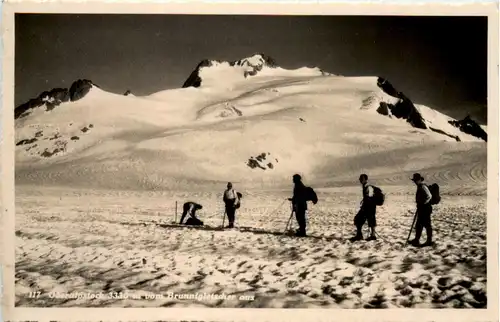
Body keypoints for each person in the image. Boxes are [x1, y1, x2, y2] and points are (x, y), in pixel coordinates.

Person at [408, 173, 434, 247]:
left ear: (419, 180)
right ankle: (416, 239)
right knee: (419, 224)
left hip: (425, 209)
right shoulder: (419, 186)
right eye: (414, 181)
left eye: (416, 180)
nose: (415, 182)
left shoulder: (423, 186)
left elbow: (429, 196)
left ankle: (429, 240)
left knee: (427, 224)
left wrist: (423, 203)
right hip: (421, 208)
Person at [350, 174, 377, 242]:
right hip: (367, 207)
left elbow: (370, 197)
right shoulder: (365, 186)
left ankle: (372, 235)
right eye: (360, 179)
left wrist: (366, 205)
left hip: (369, 207)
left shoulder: (368, 187)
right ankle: (360, 235)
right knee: (358, 219)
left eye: (361, 179)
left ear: (365, 179)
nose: (360, 180)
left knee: (370, 221)